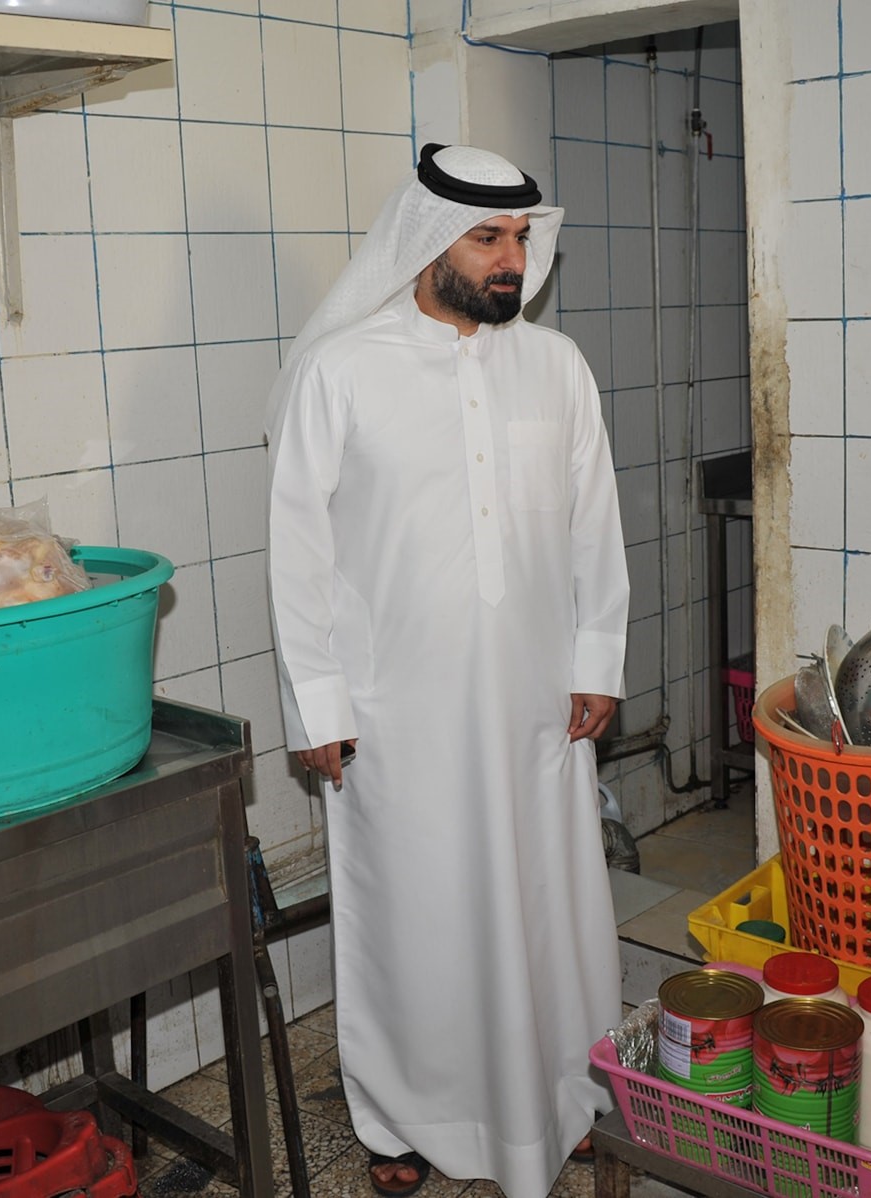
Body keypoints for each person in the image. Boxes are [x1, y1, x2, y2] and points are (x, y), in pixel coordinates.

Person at [264, 144, 630, 1198]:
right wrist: (318, 702)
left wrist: (597, 658)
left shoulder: (556, 366)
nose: (512, 259)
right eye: (486, 239)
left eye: (520, 237)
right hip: (398, 710)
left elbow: (593, 526)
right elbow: (298, 550)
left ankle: (568, 1093)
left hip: (534, 698)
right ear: (427, 242)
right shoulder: (343, 370)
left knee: (549, 903)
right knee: (412, 918)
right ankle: (403, 1118)